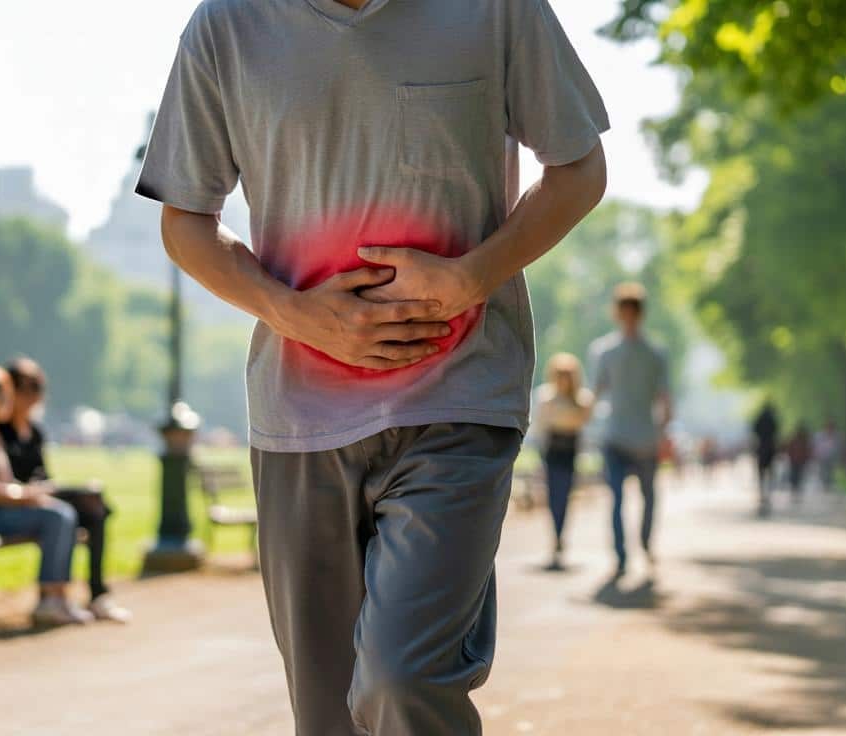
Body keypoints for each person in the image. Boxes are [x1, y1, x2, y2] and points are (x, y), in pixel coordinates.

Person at [136, 0, 609, 731]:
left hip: (459, 399)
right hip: (298, 420)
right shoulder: (226, 25)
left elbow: (578, 168)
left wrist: (474, 276)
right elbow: (185, 222)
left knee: (400, 680)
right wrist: (292, 312)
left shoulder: (495, 9)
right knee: (326, 717)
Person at [0, 362, 90, 626]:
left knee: (60, 512)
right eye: (2, 397)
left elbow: (2, 483)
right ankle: (50, 599)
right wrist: (26, 497)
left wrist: (31, 493)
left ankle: (56, 597)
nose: (8, 403)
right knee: (56, 517)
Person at [0, 357, 129, 623]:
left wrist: (46, 489)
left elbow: (42, 473)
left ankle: (96, 594)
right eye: (27, 388)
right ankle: (55, 597)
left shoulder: (34, 432)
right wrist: (38, 491)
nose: (34, 396)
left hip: (40, 495)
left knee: (96, 510)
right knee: (69, 513)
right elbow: (3, 479)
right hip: (19, 500)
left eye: (38, 388)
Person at [589, 283, 671, 579]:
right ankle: (621, 555)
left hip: (646, 438)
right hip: (614, 437)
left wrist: (664, 434)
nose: (628, 317)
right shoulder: (604, 351)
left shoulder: (655, 353)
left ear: (639, 314)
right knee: (617, 499)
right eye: (624, 312)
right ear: (617, 314)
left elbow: (665, 399)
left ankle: (646, 543)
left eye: (631, 312)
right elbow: (595, 392)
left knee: (649, 497)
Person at [530, 353, 593, 571]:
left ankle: (560, 535)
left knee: (564, 495)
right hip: (552, 451)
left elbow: (584, 422)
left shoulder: (582, 399)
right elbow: (540, 428)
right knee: (553, 496)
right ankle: (556, 536)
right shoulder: (546, 398)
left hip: (570, 452)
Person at [752, 402, 780, 516]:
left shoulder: (759, 418)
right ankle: (767, 493)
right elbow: (777, 430)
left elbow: (755, 430)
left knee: (761, 473)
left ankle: (762, 493)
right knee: (770, 472)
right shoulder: (772, 418)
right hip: (770, 447)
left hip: (761, 447)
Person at [785, 423, 812, 502]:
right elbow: (789, 448)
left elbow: (807, 450)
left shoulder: (804, 440)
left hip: (799, 460)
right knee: (795, 475)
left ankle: (797, 489)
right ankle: (795, 489)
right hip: (795, 460)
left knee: (798, 475)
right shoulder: (796, 440)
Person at [813, 420, 838, 492]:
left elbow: (837, 446)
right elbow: (815, 445)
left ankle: (828, 484)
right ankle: (824, 483)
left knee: (830, 470)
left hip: (831, 456)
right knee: (823, 470)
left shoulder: (835, 436)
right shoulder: (819, 435)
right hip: (821, 456)